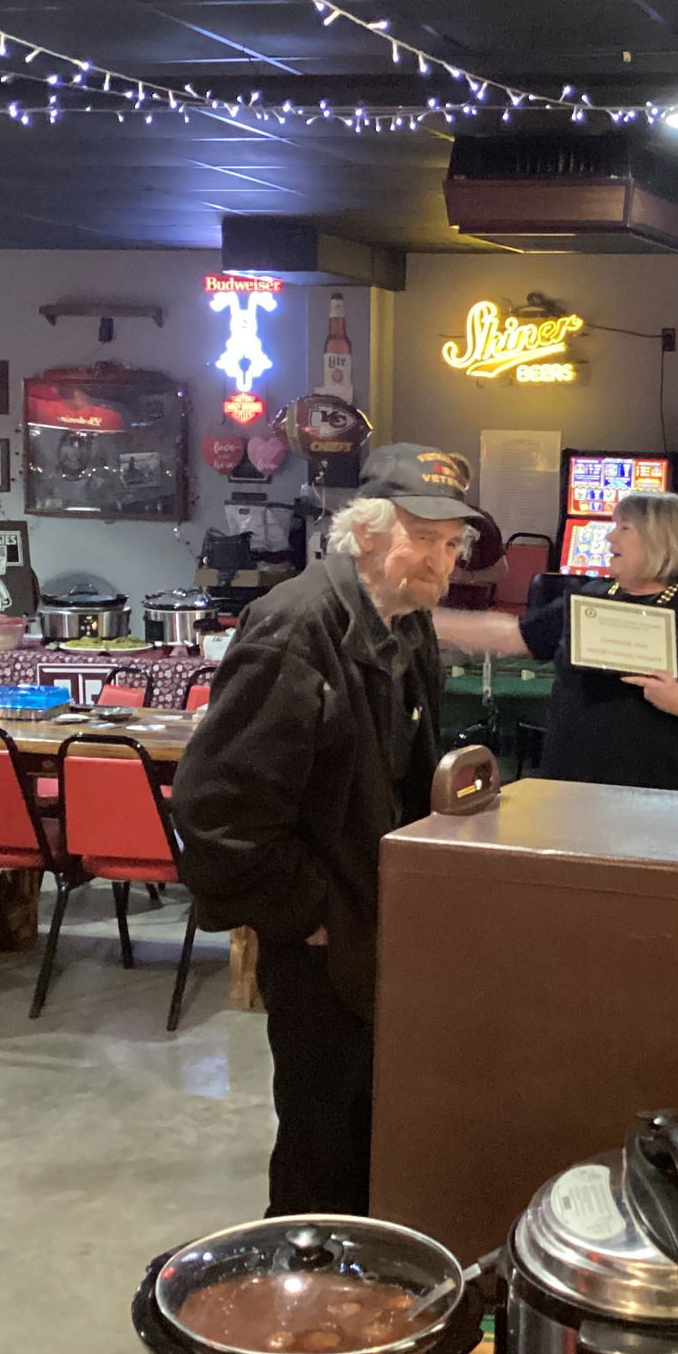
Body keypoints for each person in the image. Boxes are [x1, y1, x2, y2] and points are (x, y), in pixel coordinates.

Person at [171, 444, 503, 1216]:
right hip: (324, 939)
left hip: (382, 924)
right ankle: (302, 1309)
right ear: (365, 531)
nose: (442, 562)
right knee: (320, 1145)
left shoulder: (406, 621)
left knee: (375, 1128)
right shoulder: (294, 631)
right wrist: (312, 917)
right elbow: (215, 812)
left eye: (453, 545)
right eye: (423, 538)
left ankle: (364, 1298)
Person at [436, 490, 678, 791]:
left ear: (660, 539)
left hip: (656, 791)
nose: (610, 538)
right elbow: (512, 635)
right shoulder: (590, 597)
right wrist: (422, 619)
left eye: (624, 528)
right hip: (569, 784)